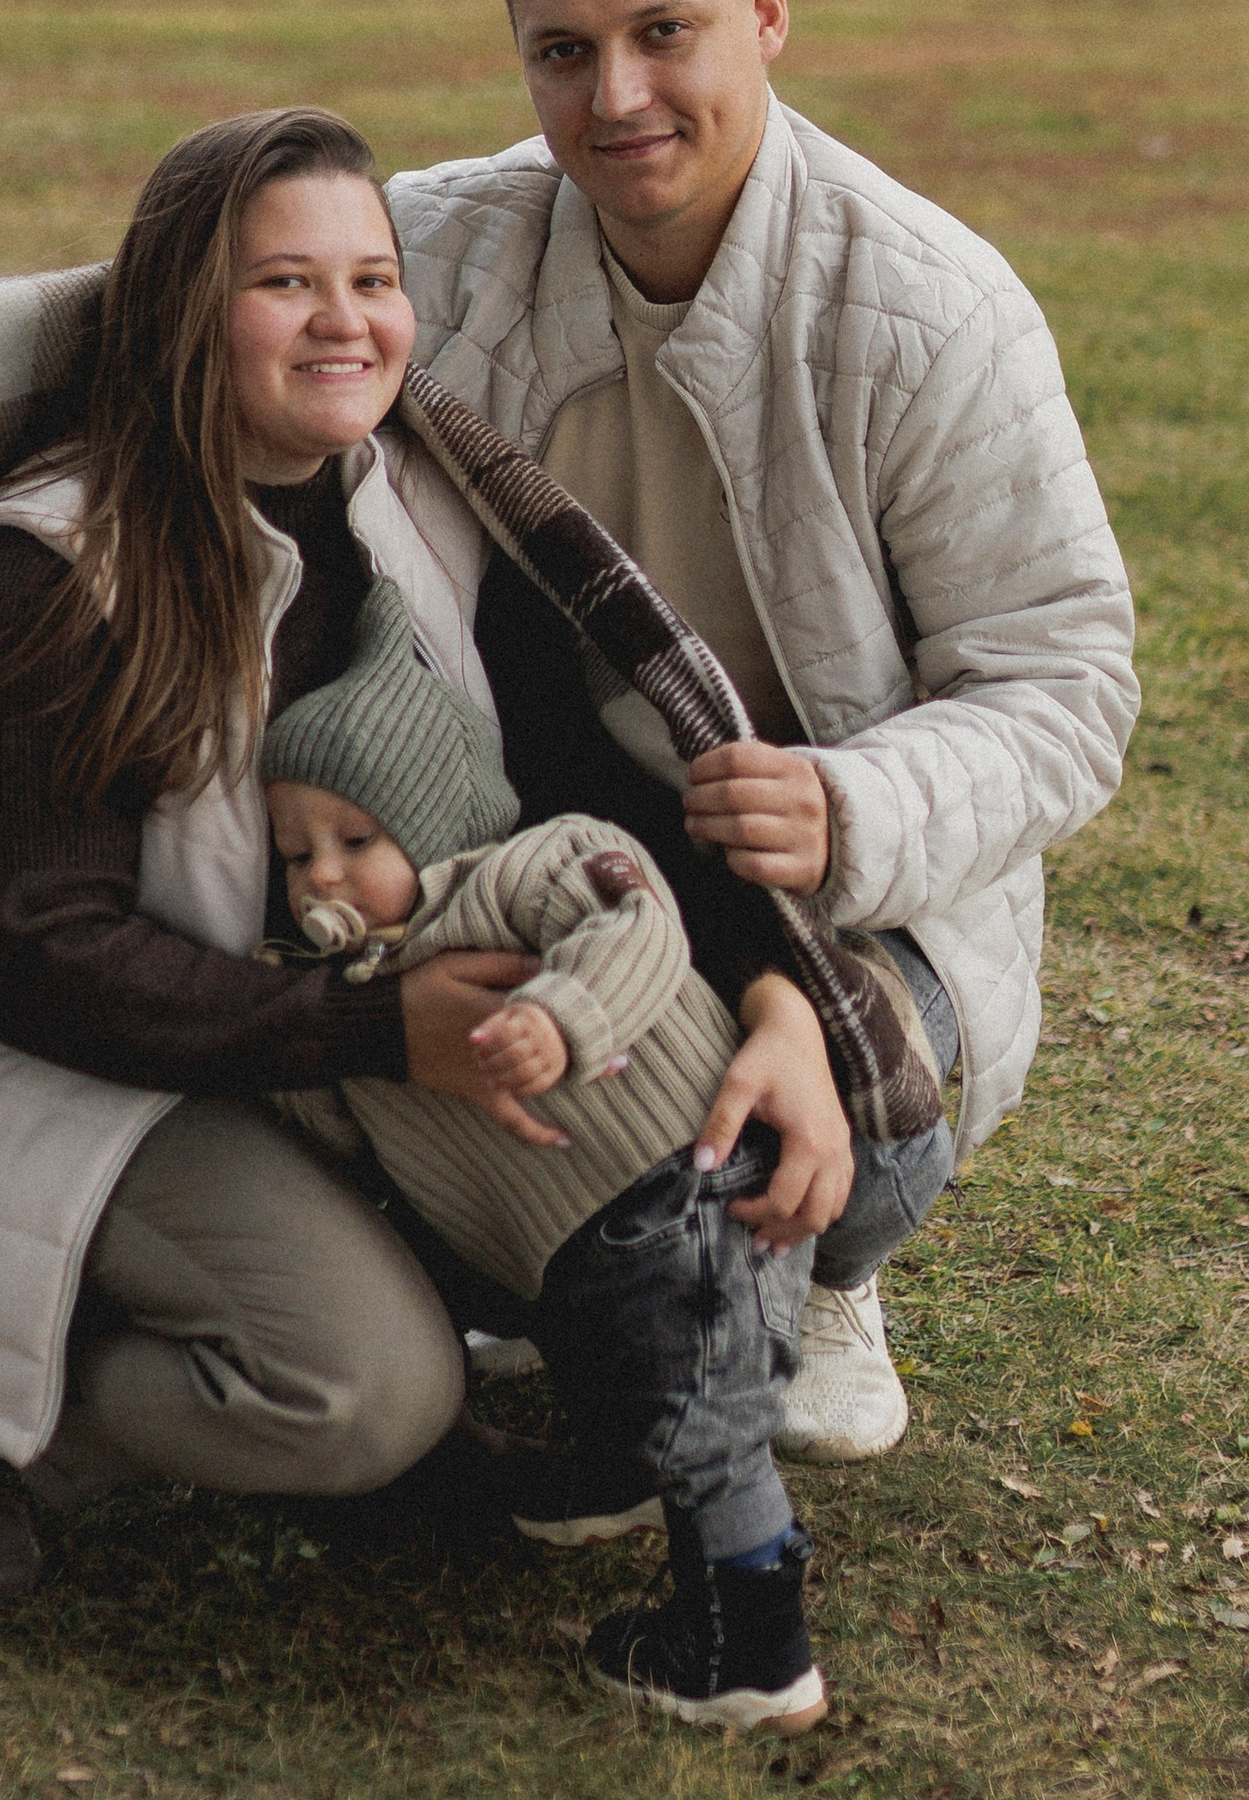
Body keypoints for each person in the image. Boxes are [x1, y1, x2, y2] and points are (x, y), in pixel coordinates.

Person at [0, 0, 1141, 1466]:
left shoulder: (933, 310)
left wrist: (845, 820)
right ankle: (531, 1289)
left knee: (845, 1133)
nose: (617, 97)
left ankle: (811, 1282)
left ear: (768, 11)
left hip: (846, 868)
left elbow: (1067, 683)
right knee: (566, 1219)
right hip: (531, 833)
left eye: (665, 33)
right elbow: (190, 288)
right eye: (564, 51)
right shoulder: (444, 244)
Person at [0, 99, 849, 1625]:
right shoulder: (47, 572)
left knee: (731, 1131)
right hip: (47, 1076)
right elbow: (35, 956)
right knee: (364, 1394)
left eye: (372, 278)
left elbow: (582, 776)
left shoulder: (415, 503)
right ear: (180, 316)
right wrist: (382, 1031)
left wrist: (779, 1003)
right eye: (285, 283)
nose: (346, 320)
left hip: (301, 1026)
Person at [259, 575, 826, 1734]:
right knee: (625, 1379)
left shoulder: (532, 867)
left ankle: (747, 1647)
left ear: (437, 817)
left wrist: (563, 1015)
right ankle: (611, 1480)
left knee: (708, 1421)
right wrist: (298, 1052)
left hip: (693, 1189)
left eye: (355, 839)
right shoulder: (362, 997)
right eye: (294, 851)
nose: (321, 874)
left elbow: (638, 924)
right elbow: (344, 1125)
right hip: (571, 1255)